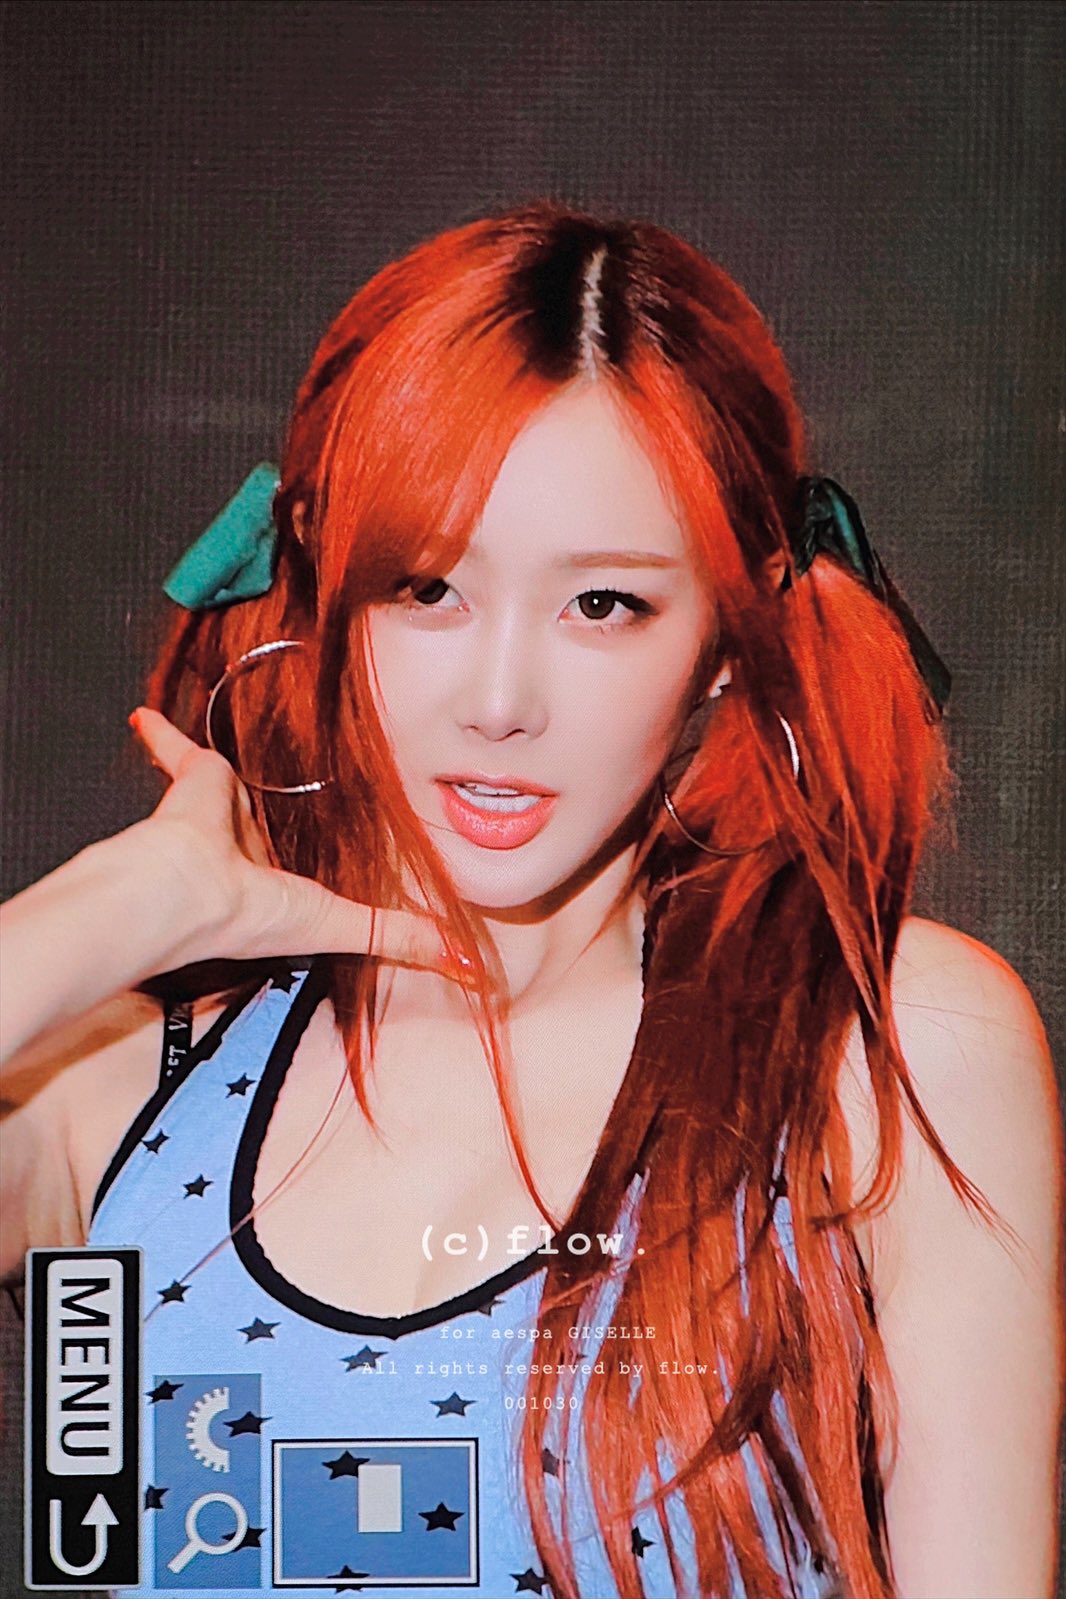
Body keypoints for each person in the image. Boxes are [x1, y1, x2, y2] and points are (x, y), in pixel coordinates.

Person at [0, 200, 1061, 1599]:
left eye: (603, 605)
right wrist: (103, 916)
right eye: (428, 587)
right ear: (320, 588)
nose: (499, 701)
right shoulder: (112, 1077)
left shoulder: (884, 1046)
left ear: (728, 636)